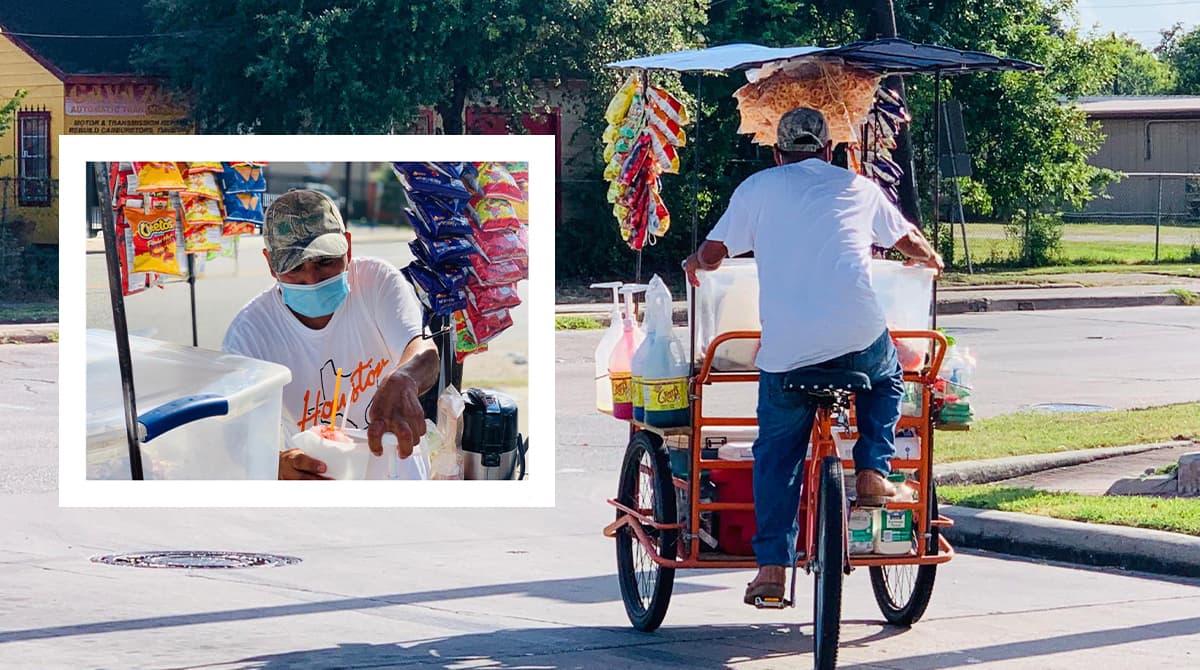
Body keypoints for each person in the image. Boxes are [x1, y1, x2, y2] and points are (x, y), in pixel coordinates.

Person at [683, 107, 944, 605]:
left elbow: (714, 255)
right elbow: (908, 240)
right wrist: (930, 258)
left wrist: (693, 262)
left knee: (776, 456)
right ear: (830, 150)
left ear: (778, 152)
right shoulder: (859, 187)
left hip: (786, 355)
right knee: (889, 374)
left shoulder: (757, 188)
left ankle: (771, 571)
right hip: (858, 337)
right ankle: (872, 470)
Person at [223, 189, 439, 480]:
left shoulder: (376, 281)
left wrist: (405, 378)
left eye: (325, 261)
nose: (311, 278)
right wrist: (276, 464)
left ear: (347, 248)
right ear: (270, 264)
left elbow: (424, 351)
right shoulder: (249, 334)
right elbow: (234, 436)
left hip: (397, 474)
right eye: (294, 266)